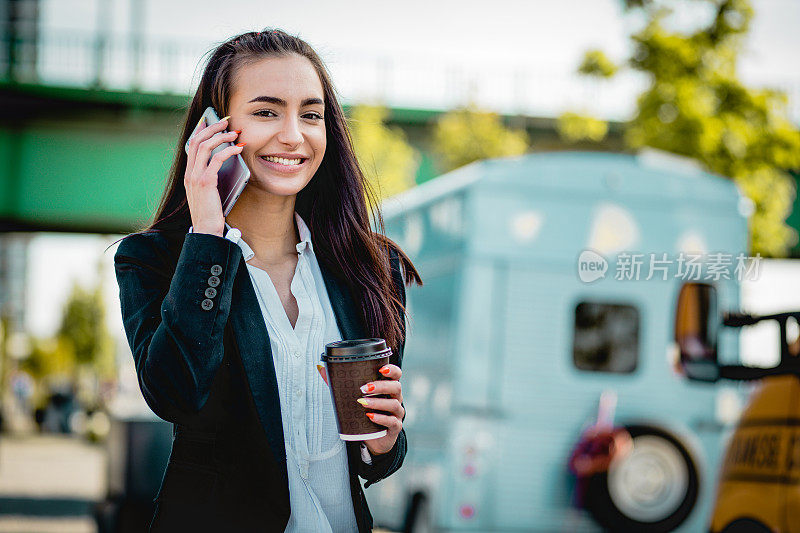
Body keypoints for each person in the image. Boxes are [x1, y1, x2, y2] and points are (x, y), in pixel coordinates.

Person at [114, 28, 421, 532]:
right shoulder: (158, 261)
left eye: (312, 114)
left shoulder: (369, 268)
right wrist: (208, 235)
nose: (294, 135)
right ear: (213, 130)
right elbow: (175, 395)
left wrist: (384, 439)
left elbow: (377, 455)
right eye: (266, 111)